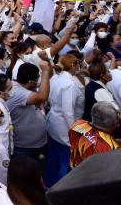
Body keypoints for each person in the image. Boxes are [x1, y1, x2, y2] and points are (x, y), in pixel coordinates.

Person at [44, 53, 84, 187]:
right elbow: (68, 112)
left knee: (53, 157)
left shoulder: (56, 78)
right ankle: (60, 190)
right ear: (73, 65)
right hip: (64, 127)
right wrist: (73, 132)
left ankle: (48, 184)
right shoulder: (69, 84)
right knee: (64, 161)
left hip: (54, 123)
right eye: (78, 64)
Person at [69, 101, 120, 168]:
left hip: (74, 168)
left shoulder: (77, 125)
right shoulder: (109, 147)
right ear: (115, 124)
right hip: (89, 173)